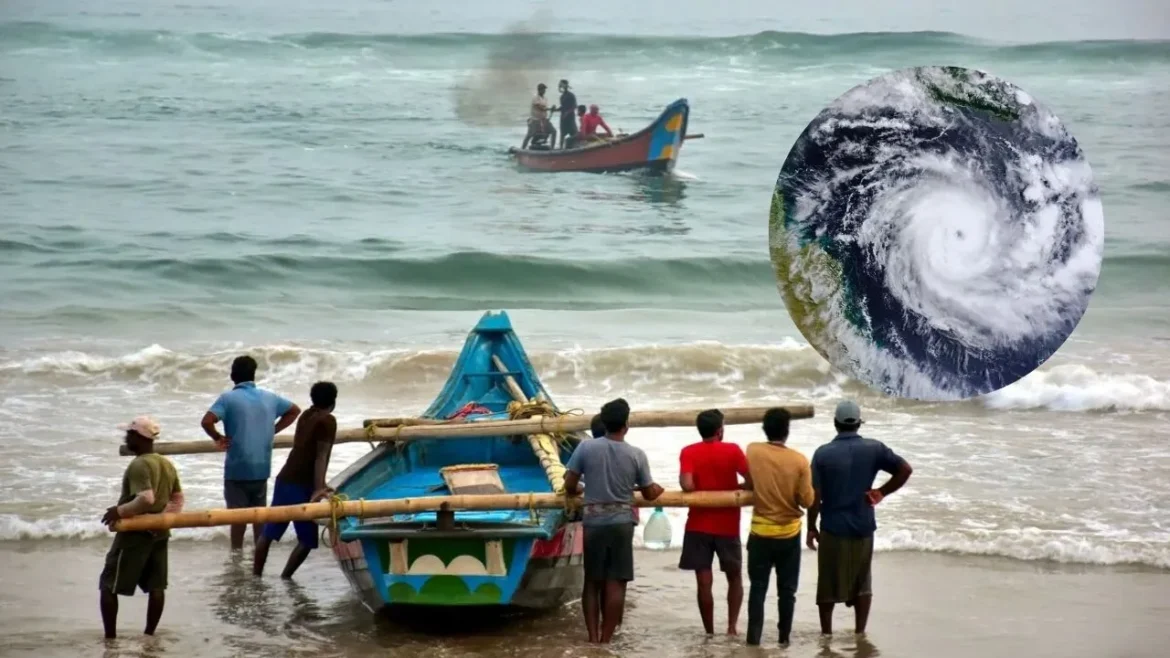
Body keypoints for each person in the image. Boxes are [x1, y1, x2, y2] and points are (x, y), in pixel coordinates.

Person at [807, 400, 913, 636]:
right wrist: (881, 492)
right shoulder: (874, 449)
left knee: (828, 582)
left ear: (835, 424)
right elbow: (905, 469)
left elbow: (815, 495)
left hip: (832, 527)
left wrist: (811, 527)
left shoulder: (823, 454)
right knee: (862, 581)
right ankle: (859, 632)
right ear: (858, 424)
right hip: (863, 525)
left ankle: (827, 634)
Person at [564, 398, 664, 644]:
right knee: (616, 582)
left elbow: (569, 484)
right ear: (626, 424)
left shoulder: (586, 448)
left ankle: (593, 637)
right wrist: (658, 489)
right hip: (621, 523)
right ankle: (606, 640)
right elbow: (650, 492)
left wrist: (580, 490)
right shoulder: (636, 454)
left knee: (592, 581)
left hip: (593, 522)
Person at [201, 355, 300, 550]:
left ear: (232, 375)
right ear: (253, 375)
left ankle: (236, 556)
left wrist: (218, 438)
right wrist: (273, 429)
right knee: (259, 516)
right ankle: (259, 555)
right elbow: (294, 410)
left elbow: (206, 421)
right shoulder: (270, 397)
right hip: (261, 467)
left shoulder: (227, 398)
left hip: (237, 468)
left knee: (237, 519)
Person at [99, 417, 184, 640]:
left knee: (109, 584)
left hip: (134, 534)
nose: (125, 438)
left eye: (129, 434)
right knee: (156, 585)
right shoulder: (165, 463)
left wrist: (119, 512)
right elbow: (178, 498)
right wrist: (162, 521)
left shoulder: (139, 464)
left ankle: (110, 639)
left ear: (139, 437)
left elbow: (146, 498)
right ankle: (149, 636)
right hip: (159, 532)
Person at [744, 407, 815, 647]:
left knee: (757, 589)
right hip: (788, 534)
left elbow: (751, 480)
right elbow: (807, 501)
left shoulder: (753, 450)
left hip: (760, 532)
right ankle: (784, 639)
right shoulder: (799, 461)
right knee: (787, 591)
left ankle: (753, 639)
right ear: (787, 431)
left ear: (765, 429)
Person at [253, 381, 339, 578]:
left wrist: (320, 484)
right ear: (333, 401)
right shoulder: (328, 421)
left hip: (285, 480)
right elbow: (321, 455)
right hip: (302, 485)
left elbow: (306, 450)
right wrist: (319, 488)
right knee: (308, 540)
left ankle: (256, 577)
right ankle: (285, 577)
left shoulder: (306, 415)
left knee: (269, 533)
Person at [677, 409, 751, 636]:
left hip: (698, 524)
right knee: (734, 576)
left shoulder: (688, 451)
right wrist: (737, 489)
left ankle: (709, 631)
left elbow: (687, 485)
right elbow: (752, 480)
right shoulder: (733, 450)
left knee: (703, 580)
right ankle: (731, 628)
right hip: (727, 525)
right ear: (720, 430)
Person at [522, 83, 555, 150]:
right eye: (543, 89)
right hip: (535, 120)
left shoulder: (545, 98)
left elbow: (545, 108)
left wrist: (553, 109)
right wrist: (549, 109)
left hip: (544, 120)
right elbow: (540, 108)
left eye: (544, 89)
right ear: (539, 90)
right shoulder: (535, 98)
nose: (544, 91)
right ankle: (522, 149)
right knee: (529, 135)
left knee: (553, 131)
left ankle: (552, 149)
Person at [554, 79, 578, 149]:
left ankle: (574, 148)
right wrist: (555, 110)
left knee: (574, 133)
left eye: (561, 84)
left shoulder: (571, 95)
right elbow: (563, 107)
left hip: (570, 118)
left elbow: (574, 106)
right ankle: (561, 149)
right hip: (563, 118)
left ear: (565, 85)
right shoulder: (562, 96)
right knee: (562, 134)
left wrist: (567, 112)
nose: (560, 86)